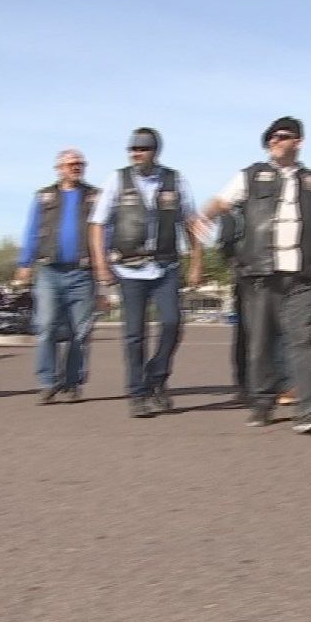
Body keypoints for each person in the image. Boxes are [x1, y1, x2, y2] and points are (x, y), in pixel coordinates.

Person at [197, 116, 311, 433]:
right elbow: (221, 200)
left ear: (298, 141)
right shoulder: (251, 176)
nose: (275, 141)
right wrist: (203, 217)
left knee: (302, 339)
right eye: (270, 138)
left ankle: (309, 408)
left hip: (300, 275)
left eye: (282, 136)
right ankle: (261, 402)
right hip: (259, 273)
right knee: (259, 342)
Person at [89, 128, 203, 418]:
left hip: (166, 265)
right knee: (134, 334)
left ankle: (157, 378)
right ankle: (137, 393)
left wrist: (197, 261)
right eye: (133, 149)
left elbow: (190, 222)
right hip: (129, 267)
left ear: (156, 151)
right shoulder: (117, 179)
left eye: (143, 149)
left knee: (171, 323)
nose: (136, 154)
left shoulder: (175, 180)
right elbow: (98, 224)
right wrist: (101, 265)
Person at [15, 148, 101, 405]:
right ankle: (47, 382)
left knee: (81, 331)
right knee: (46, 326)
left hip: (83, 272)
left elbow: (103, 233)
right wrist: (25, 263)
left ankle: (73, 382)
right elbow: (32, 230)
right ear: (59, 168)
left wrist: (105, 268)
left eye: (80, 164)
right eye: (71, 164)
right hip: (50, 271)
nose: (76, 167)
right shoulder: (44, 197)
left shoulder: (94, 197)